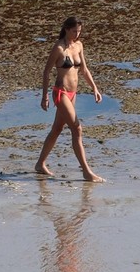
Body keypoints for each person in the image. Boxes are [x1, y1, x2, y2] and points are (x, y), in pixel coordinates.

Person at [35, 17, 104, 181]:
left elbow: (84, 70)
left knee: (57, 129)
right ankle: (87, 172)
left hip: (73, 94)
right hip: (61, 93)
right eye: (74, 31)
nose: (77, 34)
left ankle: (40, 164)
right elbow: (46, 72)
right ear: (66, 29)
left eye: (79, 31)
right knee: (77, 129)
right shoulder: (59, 48)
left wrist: (94, 88)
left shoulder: (79, 45)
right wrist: (44, 96)